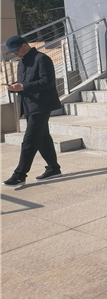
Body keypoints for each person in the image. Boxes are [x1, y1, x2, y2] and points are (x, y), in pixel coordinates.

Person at [3, 35, 63, 187]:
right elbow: (23, 83)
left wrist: (23, 87)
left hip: (41, 105)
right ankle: (53, 168)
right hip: (28, 105)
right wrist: (14, 87)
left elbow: (47, 82)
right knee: (42, 137)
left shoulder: (42, 59)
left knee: (29, 141)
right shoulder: (22, 62)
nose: (15, 54)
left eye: (16, 50)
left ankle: (19, 175)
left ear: (25, 45)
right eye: (13, 52)